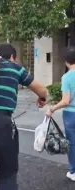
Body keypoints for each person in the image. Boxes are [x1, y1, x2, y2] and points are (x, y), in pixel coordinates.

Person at [0, 44, 48, 190]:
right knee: (8, 175)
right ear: (12, 57)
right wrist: (42, 98)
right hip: (3, 125)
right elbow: (42, 90)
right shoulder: (15, 68)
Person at [45, 46, 75, 181]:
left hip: (71, 115)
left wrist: (52, 109)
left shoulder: (67, 77)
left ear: (66, 61)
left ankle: (73, 172)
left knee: (72, 143)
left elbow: (66, 101)